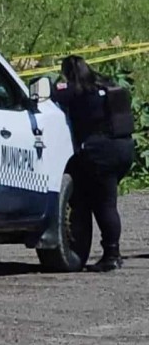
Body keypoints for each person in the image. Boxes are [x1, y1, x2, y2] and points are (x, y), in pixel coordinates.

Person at [52, 55, 135, 272]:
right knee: (106, 200)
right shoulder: (106, 85)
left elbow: (52, 94)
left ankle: (111, 255)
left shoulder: (76, 91)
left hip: (101, 151)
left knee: (104, 204)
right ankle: (112, 252)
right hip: (124, 147)